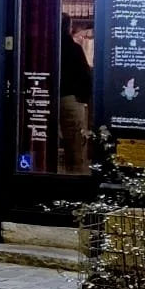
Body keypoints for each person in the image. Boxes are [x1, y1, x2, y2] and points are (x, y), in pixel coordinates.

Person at [60, 13, 91, 173]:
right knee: (74, 145)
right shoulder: (74, 48)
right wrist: (83, 98)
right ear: (69, 28)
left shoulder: (44, 46)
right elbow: (85, 75)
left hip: (44, 97)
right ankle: (74, 178)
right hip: (70, 99)